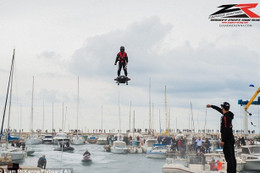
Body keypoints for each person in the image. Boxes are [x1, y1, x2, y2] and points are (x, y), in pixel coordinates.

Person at [207, 102, 236, 173]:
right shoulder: (229, 115)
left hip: (227, 140)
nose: (221, 109)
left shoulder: (225, 117)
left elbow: (226, 129)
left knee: (229, 158)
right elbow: (219, 110)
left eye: (222, 108)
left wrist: (223, 140)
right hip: (231, 139)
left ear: (224, 108)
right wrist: (211, 106)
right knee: (232, 157)